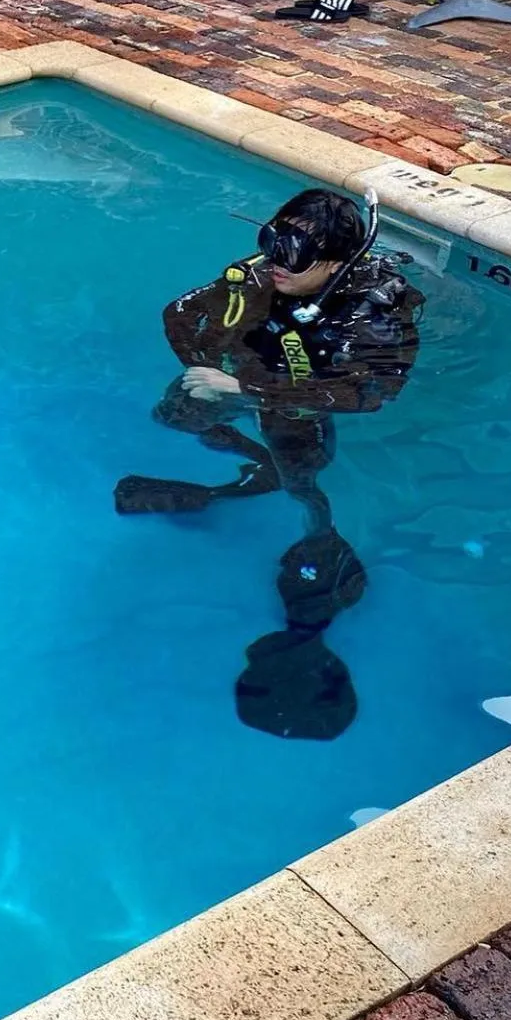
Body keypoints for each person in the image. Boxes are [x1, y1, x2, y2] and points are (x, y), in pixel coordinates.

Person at [114, 190, 423, 741]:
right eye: (273, 243)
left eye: (295, 254)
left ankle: (318, 534)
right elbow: (180, 315)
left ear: (334, 263)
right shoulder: (262, 276)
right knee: (176, 415)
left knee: (303, 469)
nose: (275, 261)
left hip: (313, 386)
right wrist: (213, 372)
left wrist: (248, 390)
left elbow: (368, 393)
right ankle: (254, 462)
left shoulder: (374, 310)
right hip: (260, 366)